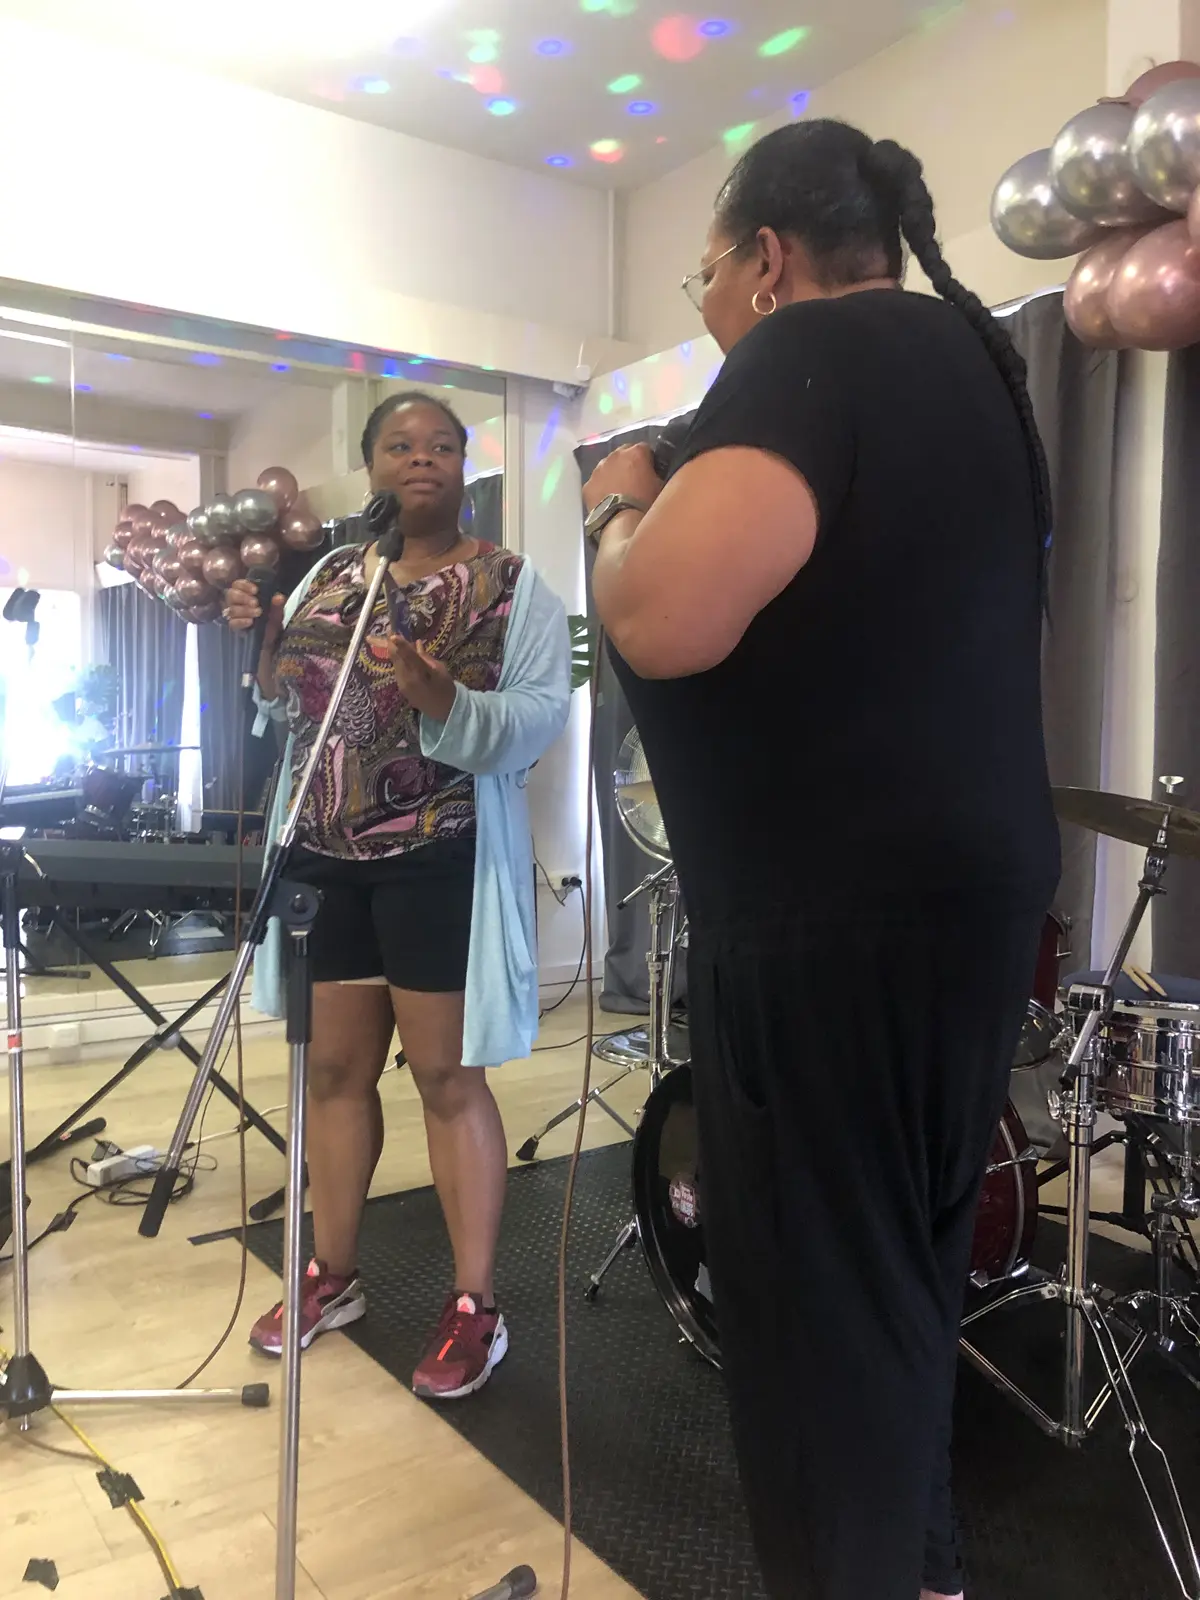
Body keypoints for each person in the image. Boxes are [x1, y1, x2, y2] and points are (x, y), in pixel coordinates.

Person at [583, 120, 1059, 1600]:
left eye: (707, 275)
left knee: (811, 1330)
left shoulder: (806, 352)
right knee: (897, 1285)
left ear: (769, 260)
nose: (712, 305)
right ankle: (919, 1567)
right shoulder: (972, 368)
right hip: (961, 903)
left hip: (828, 922)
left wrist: (621, 497)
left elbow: (660, 616)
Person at [226, 391, 570, 1398]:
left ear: (465, 466)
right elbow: (285, 707)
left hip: (438, 855)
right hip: (324, 857)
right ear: (371, 465)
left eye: (443, 446)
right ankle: (333, 1275)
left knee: (446, 1078)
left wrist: (445, 700)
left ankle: (475, 1306)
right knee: (334, 1072)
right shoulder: (334, 574)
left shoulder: (511, 584)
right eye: (400, 445)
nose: (423, 459)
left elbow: (541, 714)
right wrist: (262, 651)